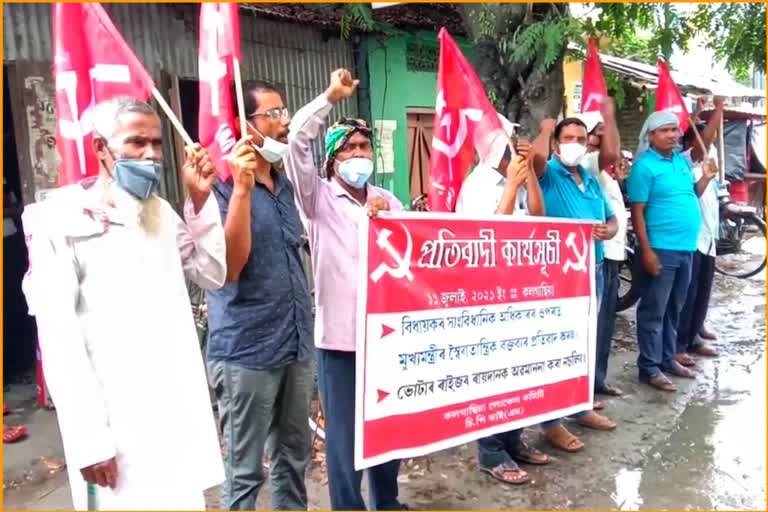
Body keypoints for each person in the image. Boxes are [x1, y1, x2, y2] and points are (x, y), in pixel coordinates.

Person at [21, 96, 225, 510]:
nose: (149, 154)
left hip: (173, 409)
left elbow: (211, 273)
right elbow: (59, 337)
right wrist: (89, 441)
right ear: (101, 148)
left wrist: (201, 203)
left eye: (155, 144)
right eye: (136, 143)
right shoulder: (63, 220)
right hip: (116, 425)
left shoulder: (160, 214)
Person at [284, 68, 407, 511]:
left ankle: (387, 503)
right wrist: (329, 97)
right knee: (345, 440)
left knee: (388, 427)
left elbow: (411, 260)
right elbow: (297, 143)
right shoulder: (316, 200)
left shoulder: (388, 202)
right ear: (334, 159)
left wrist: (387, 222)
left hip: (388, 336)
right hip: (340, 340)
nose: (360, 154)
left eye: (364, 146)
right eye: (350, 148)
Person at [205, 82, 314, 510]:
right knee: (246, 469)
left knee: (293, 458)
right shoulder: (220, 189)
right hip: (246, 350)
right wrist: (244, 190)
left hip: (295, 344)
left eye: (283, 111)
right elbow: (229, 267)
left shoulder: (286, 186)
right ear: (245, 126)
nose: (284, 121)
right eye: (273, 113)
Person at [455, 114, 548, 485]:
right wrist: (511, 186)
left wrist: (530, 176)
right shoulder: (478, 185)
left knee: (518, 372)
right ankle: (491, 451)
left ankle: (513, 439)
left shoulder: (517, 177)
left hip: (517, 290)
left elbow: (538, 216)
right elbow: (488, 237)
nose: (517, 144)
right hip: (487, 296)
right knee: (492, 377)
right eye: (510, 139)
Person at [531, 101, 619, 452]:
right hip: (560, 276)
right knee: (559, 347)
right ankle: (551, 422)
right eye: (567, 137)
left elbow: (611, 218)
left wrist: (608, 231)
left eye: (580, 138)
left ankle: (579, 407)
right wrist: (543, 129)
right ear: (556, 144)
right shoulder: (548, 172)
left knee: (584, 345)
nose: (575, 143)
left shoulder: (591, 179)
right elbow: (532, 161)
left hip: (593, 270)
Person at [626, 110, 718, 392]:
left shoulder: (679, 161)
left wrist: (706, 178)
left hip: (686, 248)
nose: (673, 135)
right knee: (654, 310)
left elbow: (692, 194)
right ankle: (649, 367)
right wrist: (647, 251)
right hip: (661, 249)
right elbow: (638, 211)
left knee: (674, 308)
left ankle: (667, 359)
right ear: (651, 135)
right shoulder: (644, 167)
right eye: (665, 131)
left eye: (675, 130)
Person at [578, 111, 629, 397]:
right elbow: (611, 151)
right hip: (600, 255)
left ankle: (597, 381)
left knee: (606, 323)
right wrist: (610, 113)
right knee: (594, 324)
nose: (602, 136)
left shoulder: (599, 172)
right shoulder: (587, 162)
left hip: (612, 253)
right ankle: (587, 388)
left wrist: (619, 182)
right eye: (598, 131)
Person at [676, 97, 726, 366]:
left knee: (702, 291)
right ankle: (680, 343)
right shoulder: (686, 161)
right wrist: (717, 109)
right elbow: (703, 141)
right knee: (688, 294)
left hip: (708, 238)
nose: (709, 143)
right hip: (691, 239)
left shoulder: (707, 164)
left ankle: (694, 336)